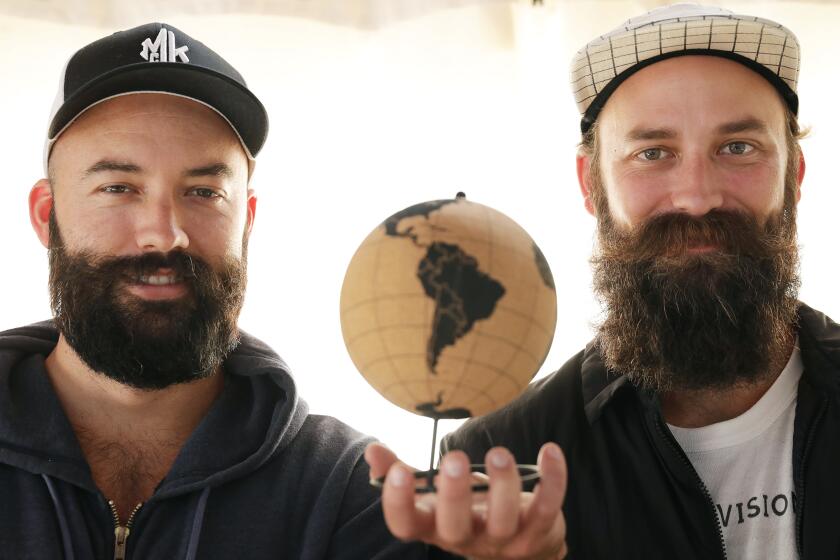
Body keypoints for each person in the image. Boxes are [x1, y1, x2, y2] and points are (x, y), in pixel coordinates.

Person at [369, 4, 840, 559]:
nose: (696, 195)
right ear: (591, 187)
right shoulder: (499, 462)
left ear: (795, 175)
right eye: (652, 153)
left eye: (738, 148)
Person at [0, 22, 431, 559]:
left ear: (246, 219)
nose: (165, 232)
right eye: (118, 188)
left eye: (204, 191)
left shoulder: (355, 494)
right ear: (48, 216)